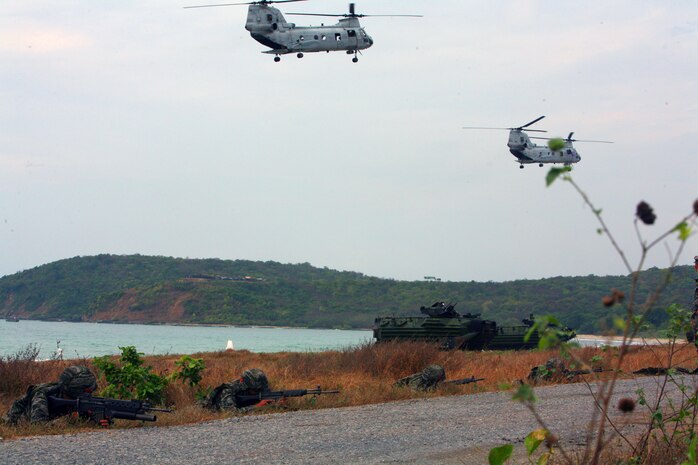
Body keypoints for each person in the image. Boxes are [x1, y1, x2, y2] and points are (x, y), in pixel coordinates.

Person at [4, 365, 97, 424]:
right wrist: (67, 419)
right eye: (86, 391)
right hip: (18, 426)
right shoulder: (41, 396)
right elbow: (38, 426)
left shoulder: (75, 397)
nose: (88, 394)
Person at [201, 368, 270, 412]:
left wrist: (276, 403)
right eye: (256, 390)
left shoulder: (253, 388)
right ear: (247, 386)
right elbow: (230, 412)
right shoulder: (228, 390)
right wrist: (257, 406)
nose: (259, 392)